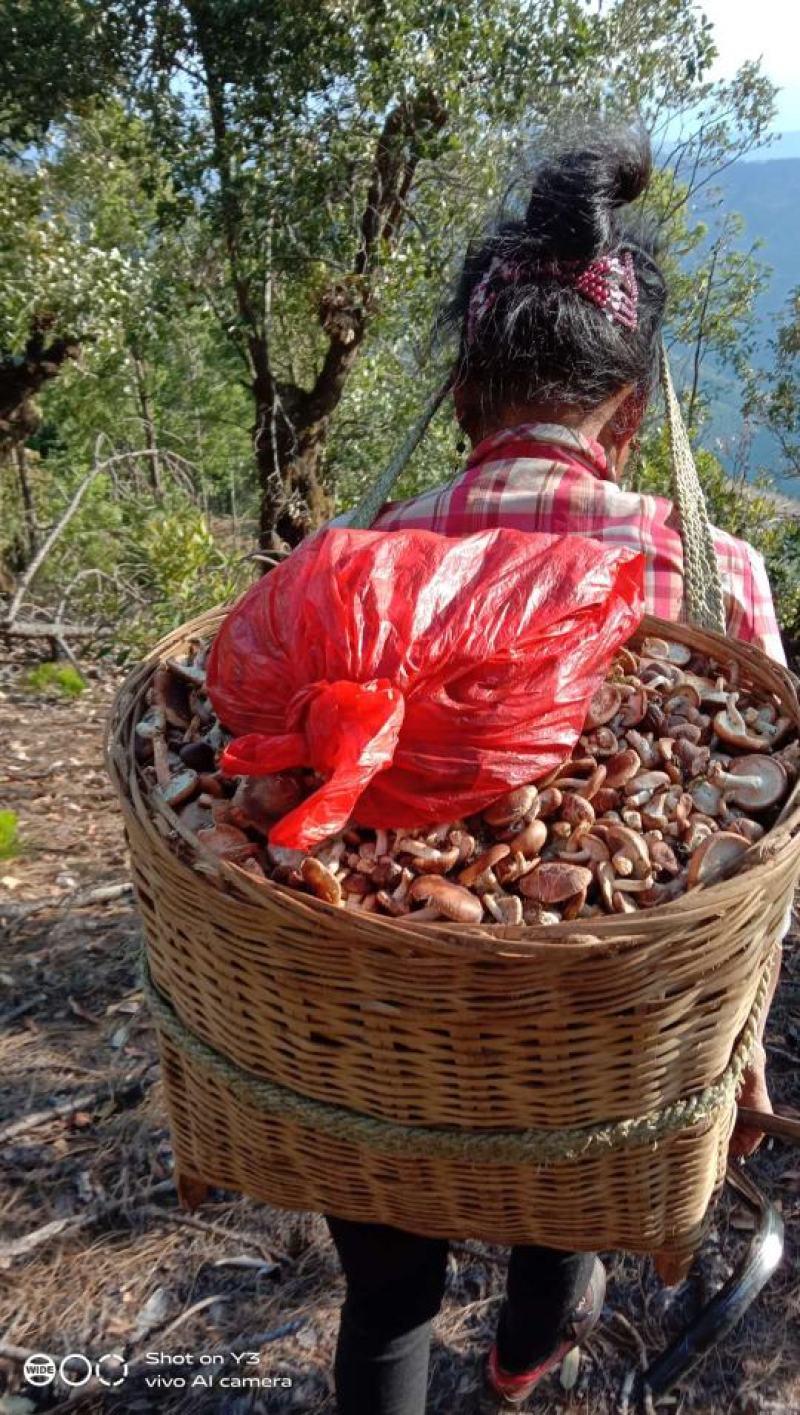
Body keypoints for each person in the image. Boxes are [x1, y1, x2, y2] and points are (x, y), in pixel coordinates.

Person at [326, 123, 783, 1415]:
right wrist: (739, 1045)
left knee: (387, 1296)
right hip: (601, 1053)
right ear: (635, 417)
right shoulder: (715, 577)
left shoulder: (355, 565)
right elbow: (759, 851)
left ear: (461, 401)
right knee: (563, 1211)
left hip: (372, 1044)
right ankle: (524, 1365)